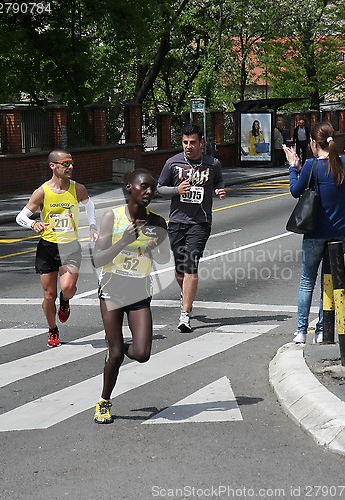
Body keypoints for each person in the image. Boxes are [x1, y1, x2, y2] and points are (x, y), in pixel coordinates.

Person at [92, 168, 170, 424]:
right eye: (144, 186)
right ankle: (104, 402)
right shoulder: (111, 218)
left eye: (152, 187)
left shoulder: (157, 222)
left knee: (142, 353)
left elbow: (164, 258)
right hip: (113, 292)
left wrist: (152, 246)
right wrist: (124, 241)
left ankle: (116, 349)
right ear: (129, 187)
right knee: (115, 355)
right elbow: (98, 259)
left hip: (138, 293)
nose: (149, 192)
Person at [16, 149, 98, 348]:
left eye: (71, 163)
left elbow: (90, 207)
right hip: (48, 247)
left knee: (68, 288)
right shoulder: (42, 191)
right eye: (65, 164)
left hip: (70, 246)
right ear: (53, 166)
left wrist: (93, 227)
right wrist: (33, 224)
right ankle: (52, 329)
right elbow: (21, 217)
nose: (70, 167)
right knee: (48, 295)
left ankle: (66, 300)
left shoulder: (78, 189)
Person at [283, 122, 345, 345]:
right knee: (328, 283)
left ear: (313, 143)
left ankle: (302, 331)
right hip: (341, 232)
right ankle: (324, 330)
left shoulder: (311, 165)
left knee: (306, 281)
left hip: (315, 233)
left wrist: (294, 166)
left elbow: (295, 191)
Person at [157, 123, 226, 333]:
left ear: (201, 142)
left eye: (193, 142)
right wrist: (176, 190)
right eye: (185, 142)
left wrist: (220, 190)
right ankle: (185, 294)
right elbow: (160, 188)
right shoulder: (173, 163)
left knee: (190, 265)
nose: (189, 146)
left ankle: (185, 315)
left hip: (200, 222)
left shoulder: (212, 163)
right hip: (177, 221)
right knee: (180, 270)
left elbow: (219, 180)